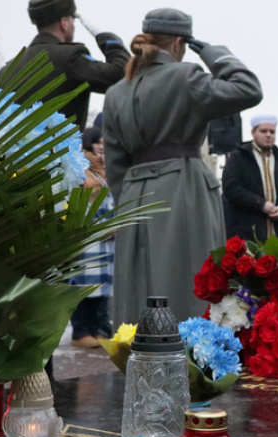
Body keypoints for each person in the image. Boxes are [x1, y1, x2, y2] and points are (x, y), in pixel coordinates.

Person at [103, 8, 262, 324]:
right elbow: (249, 89)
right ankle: (192, 351)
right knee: (189, 286)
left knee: (137, 289)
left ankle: (136, 349)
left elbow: (115, 164)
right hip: (183, 188)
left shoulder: (116, 92)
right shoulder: (186, 77)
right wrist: (214, 54)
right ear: (179, 42)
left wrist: (130, 198)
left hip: (133, 193)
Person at [6, 0, 131, 130]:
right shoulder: (70, 58)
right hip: (64, 143)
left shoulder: (8, 69)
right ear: (64, 23)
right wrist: (109, 39)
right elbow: (121, 74)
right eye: (73, 21)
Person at [69, 127, 115, 348]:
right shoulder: (82, 169)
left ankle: (96, 330)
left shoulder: (105, 170)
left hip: (106, 241)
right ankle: (80, 332)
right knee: (83, 286)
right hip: (88, 239)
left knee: (101, 287)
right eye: (98, 142)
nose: (101, 147)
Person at [221, 115, 278, 244]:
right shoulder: (238, 157)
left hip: (277, 234)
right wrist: (261, 204)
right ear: (253, 132)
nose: (268, 135)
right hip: (245, 233)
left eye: (272, 132)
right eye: (263, 131)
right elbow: (231, 187)